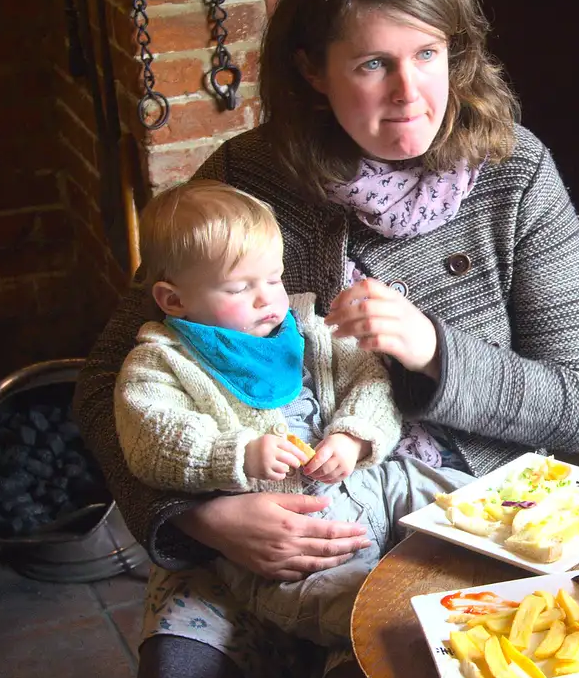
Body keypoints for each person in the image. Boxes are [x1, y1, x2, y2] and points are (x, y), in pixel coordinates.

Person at [76, 0, 579, 678]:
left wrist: (437, 355)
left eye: (428, 55)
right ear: (312, 72)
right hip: (253, 524)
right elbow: (103, 382)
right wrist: (191, 519)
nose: (409, 93)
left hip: (460, 517)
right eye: (371, 63)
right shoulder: (245, 181)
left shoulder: (515, 173)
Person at [114, 179, 470, 646]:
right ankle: (411, 633)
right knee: (340, 604)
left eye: (274, 279)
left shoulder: (307, 329)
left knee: (461, 498)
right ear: (174, 300)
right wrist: (238, 455)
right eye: (240, 288)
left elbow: (370, 378)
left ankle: (512, 534)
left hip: (372, 482)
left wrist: (354, 435)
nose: (267, 299)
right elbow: (153, 440)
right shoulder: (160, 362)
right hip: (289, 535)